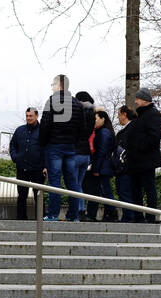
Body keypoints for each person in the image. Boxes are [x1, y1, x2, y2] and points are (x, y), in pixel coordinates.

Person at [38, 74, 92, 221]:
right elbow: (84, 129)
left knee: (55, 182)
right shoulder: (77, 104)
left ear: (58, 85)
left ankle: (52, 214)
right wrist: (74, 141)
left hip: (54, 146)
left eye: (52, 85)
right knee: (72, 182)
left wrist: (42, 143)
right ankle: (73, 215)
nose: (52, 87)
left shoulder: (52, 101)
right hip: (70, 147)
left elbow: (45, 124)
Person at [125, 88, 161, 222]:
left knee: (148, 188)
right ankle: (138, 216)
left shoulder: (153, 114)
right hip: (136, 160)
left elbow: (153, 137)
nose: (135, 101)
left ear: (144, 100)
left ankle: (150, 217)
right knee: (135, 190)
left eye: (137, 99)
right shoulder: (142, 115)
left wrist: (138, 147)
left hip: (146, 159)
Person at [9, 107, 45, 221]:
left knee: (38, 196)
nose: (28, 118)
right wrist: (15, 157)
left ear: (36, 116)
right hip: (22, 168)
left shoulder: (43, 131)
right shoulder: (19, 130)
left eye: (31, 116)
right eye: (27, 116)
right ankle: (21, 219)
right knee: (22, 195)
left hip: (37, 169)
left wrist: (45, 166)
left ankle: (40, 219)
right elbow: (12, 145)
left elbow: (47, 149)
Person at [85, 108, 117, 221]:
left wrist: (96, 169)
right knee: (102, 191)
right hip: (102, 167)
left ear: (103, 119)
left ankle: (112, 214)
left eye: (96, 119)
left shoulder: (104, 132)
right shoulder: (102, 132)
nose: (94, 121)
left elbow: (101, 152)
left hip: (102, 167)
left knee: (105, 192)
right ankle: (109, 214)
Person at [71, 91, 96, 220]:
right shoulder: (92, 113)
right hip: (86, 155)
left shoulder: (76, 112)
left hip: (75, 153)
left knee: (73, 184)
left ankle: (78, 210)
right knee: (79, 183)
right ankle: (81, 209)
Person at [113, 105, 137, 222]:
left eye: (118, 115)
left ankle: (129, 216)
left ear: (124, 114)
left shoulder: (132, 128)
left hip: (126, 167)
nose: (118, 118)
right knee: (122, 192)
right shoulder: (124, 131)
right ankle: (127, 215)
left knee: (125, 192)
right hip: (121, 168)